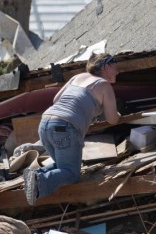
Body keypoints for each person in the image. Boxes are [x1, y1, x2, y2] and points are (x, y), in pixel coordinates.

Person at [23, 53, 121, 205]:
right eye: (115, 67)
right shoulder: (103, 85)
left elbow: (56, 99)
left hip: (45, 124)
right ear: (106, 66)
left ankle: (35, 174)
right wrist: (116, 113)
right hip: (65, 128)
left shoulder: (78, 77)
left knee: (64, 165)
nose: (117, 71)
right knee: (71, 173)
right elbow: (112, 119)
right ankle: (39, 180)